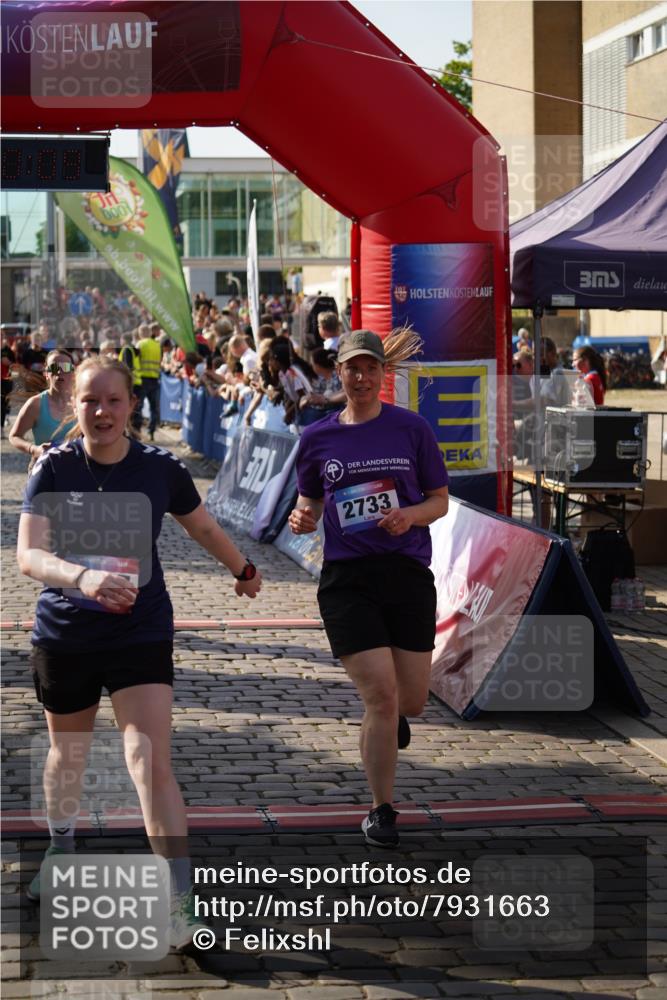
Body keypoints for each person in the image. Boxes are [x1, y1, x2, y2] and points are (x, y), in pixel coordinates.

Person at [17, 355, 262, 947]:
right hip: (67, 634)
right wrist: (83, 579)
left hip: (140, 631)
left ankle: (178, 901)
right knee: (67, 756)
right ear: (73, 405)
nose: (102, 412)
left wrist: (243, 569)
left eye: (113, 400)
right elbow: (29, 555)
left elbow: (202, 526)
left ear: (131, 404)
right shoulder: (53, 467)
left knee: (148, 760)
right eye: (90, 401)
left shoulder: (160, 468)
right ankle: (60, 846)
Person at [288, 329, 448, 848]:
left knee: (411, 702)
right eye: (351, 368)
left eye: (369, 368)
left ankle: (393, 718)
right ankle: (381, 809)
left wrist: (409, 516)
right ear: (338, 372)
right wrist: (302, 517)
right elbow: (310, 503)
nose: (360, 377)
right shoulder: (317, 439)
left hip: (406, 574)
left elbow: (439, 501)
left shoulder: (412, 429)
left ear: (384, 374)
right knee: (380, 695)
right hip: (348, 580)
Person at [8, 350, 77, 462]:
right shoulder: (35, 404)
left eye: (65, 367)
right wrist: (33, 449)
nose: (59, 372)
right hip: (44, 467)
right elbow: (14, 436)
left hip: (76, 468)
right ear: (46, 373)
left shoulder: (81, 403)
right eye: (54, 367)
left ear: (73, 373)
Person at [136, 322, 162, 440]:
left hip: (142, 379)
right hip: (155, 379)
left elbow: (136, 360)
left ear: (140, 333)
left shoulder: (140, 344)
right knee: (154, 407)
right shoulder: (157, 345)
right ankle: (151, 432)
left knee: (138, 406)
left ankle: (137, 431)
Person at [118, 332, 143, 435]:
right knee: (135, 408)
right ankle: (136, 431)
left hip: (132, 383)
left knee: (131, 408)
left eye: (120, 340)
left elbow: (127, 367)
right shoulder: (133, 349)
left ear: (124, 340)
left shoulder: (127, 349)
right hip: (137, 381)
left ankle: (132, 432)